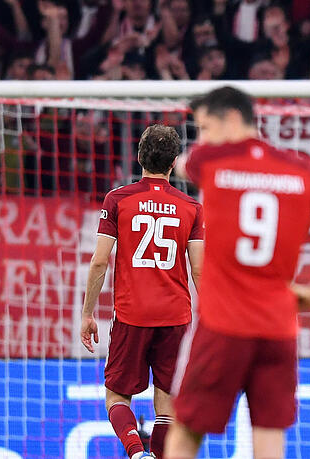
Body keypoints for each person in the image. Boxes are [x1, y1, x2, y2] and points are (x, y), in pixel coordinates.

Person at [164, 86, 310, 459]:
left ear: (231, 118)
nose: (204, 138)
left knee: (184, 432)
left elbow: (182, 164)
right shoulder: (302, 169)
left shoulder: (212, 159)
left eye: (206, 127)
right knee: (268, 438)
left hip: (222, 323)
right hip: (278, 326)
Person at [80, 124, 205, 459]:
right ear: (174, 160)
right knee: (168, 401)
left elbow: (99, 262)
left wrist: (87, 313)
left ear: (139, 156)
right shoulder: (191, 206)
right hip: (176, 316)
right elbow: (199, 270)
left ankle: (137, 452)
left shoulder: (118, 199)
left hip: (132, 315)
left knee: (116, 396)